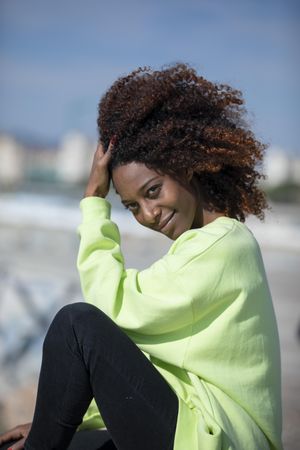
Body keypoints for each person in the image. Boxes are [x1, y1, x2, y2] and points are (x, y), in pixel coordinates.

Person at [0, 63, 282, 450]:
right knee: (70, 441)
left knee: (77, 324)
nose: (148, 214)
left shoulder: (223, 246)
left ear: (186, 164)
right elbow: (155, 373)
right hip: (199, 424)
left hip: (216, 437)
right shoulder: (211, 245)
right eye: (131, 206)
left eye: (153, 191)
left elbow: (111, 308)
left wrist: (93, 202)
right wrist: (55, 419)